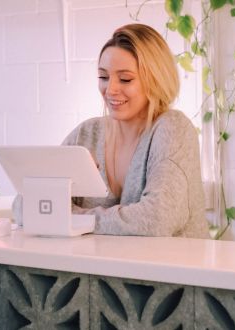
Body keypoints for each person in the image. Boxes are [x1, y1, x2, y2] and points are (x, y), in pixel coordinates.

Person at [64, 24, 208, 238]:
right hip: (104, 269)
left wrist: (74, 219)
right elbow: (25, 205)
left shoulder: (173, 129)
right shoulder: (87, 134)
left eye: (125, 79)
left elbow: (157, 219)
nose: (110, 89)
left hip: (168, 270)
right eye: (103, 77)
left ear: (156, 79)